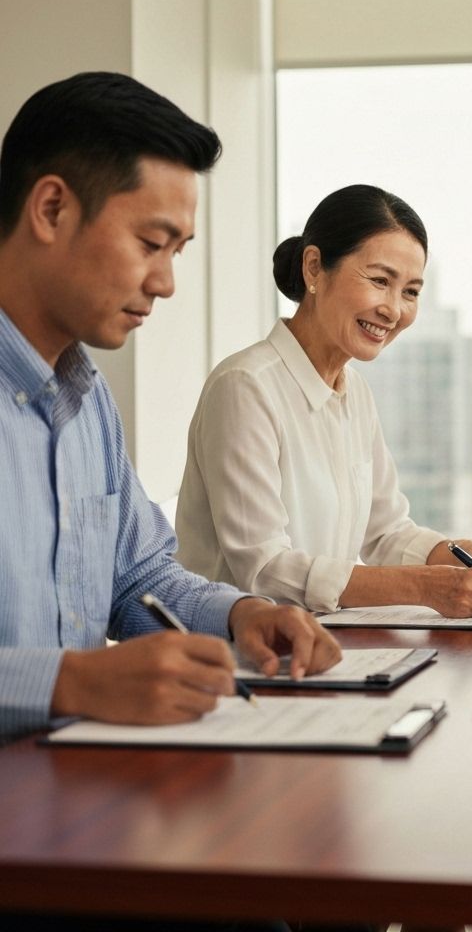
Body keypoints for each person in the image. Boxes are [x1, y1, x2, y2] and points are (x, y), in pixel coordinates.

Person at [0, 72, 342, 930]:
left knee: (310, 870)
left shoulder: (84, 401)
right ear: (50, 209)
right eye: (153, 242)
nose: (166, 283)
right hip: (26, 846)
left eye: (178, 252)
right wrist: (74, 679)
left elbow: (141, 573)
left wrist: (240, 618)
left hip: (70, 808)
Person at [175, 184, 472, 616]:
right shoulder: (245, 386)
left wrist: (465, 553)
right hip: (238, 657)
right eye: (380, 281)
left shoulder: (354, 392)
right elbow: (264, 569)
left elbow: (386, 533)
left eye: (410, 292)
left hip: (324, 645)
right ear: (315, 268)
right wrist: (423, 587)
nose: (394, 310)